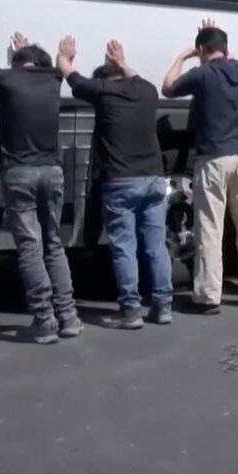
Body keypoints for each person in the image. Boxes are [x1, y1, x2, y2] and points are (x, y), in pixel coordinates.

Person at [0, 33, 83, 344]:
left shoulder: (6, 78)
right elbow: (50, 67)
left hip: (19, 172)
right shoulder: (53, 79)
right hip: (52, 171)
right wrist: (61, 57)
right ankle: (69, 316)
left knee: (30, 247)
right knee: (53, 244)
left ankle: (45, 320)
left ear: (16, 63)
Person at [58, 37, 173, 327]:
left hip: (122, 182)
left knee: (124, 247)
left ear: (103, 82)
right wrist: (122, 62)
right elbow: (135, 76)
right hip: (154, 179)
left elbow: (72, 77)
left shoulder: (104, 93)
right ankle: (162, 307)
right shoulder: (147, 91)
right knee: (156, 246)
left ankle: (131, 311)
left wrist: (64, 58)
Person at [162, 19, 238, 313]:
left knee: (210, 227)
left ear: (201, 50)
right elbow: (225, 59)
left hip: (214, 158)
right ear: (226, 48)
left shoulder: (201, 74)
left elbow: (167, 87)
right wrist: (212, 40)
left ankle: (209, 296)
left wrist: (183, 56)